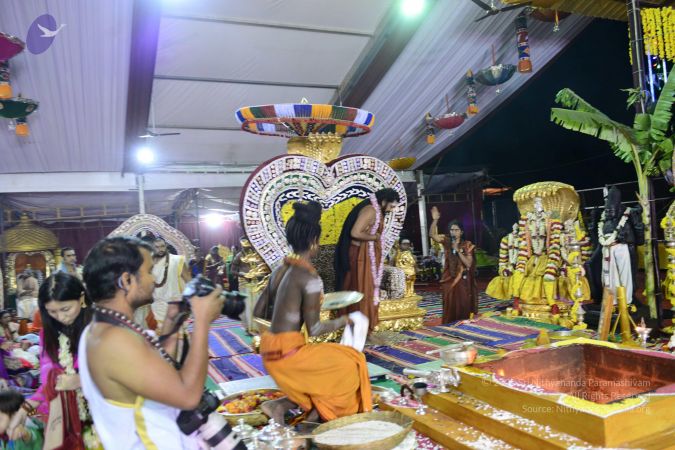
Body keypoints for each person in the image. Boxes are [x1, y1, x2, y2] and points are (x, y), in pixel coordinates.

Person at [77, 236, 223, 449]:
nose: (153, 279)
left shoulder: (104, 328)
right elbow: (188, 396)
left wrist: (172, 324)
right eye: (149, 271)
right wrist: (202, 321)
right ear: (126, 281)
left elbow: (152, 370)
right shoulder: (113, 340)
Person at [254, 201, 372, 424]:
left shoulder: (279, 270)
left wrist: (287, 311)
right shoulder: (309, 278)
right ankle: (322, 417)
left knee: (330, 362)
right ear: (314, 241)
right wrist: (346, 320)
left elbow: (258, 312)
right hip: (289, 354)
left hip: (269, 349)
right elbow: (315, 329)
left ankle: (283, 407)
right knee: (352, 362)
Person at [7, 272, 97, 448]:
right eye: (52, 311)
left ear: (81, 299)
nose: (61, 317)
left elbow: (121, 376)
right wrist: (23, 411)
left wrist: (82, 380)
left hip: (102, 415)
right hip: (65, 415)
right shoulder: (48, 334)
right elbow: (49, 383)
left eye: (65, 309)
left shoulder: (100, 329)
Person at [334, 188, 401, 333]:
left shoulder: (377, 211)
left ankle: (365, 328)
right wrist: (375, 237)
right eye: (391, 206)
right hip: (358, 257)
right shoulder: (371, 210)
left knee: (367, 290)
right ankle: (358, 329)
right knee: (360, 290)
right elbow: (355, 232)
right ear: (384, 201)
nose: (391, 210)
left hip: (365, 257)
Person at [430, 208, 478, 323]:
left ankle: (463, 323)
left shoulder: (467, 245)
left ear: (461, 232)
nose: (453, 232)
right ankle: (449, 323)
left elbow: (468, 263)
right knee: (449, 299)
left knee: (463, 300)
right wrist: (435, 220)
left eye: (456, 230)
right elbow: (432, 235)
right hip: (448, 277)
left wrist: (458, 251)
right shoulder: (447, 241)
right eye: (452, 230)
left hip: (462, 278)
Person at [134, 237, 190, 329]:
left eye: (162, 246)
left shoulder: (177, 260)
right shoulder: (149, 264)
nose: (161, 249)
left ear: (166, 246)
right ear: (152, 248)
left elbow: (189, 281)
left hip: (175, 305)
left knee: (176, 334)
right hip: (156, 307)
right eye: (157, 247)